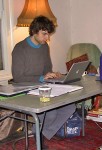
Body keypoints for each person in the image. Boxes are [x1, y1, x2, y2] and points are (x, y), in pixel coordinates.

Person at [12, 16, 76, 149]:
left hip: (42, 87)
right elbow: (18, 77)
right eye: (44, 34)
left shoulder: (44, 46)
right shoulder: (20, 48)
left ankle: (40, 133)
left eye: (48, 34)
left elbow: (47, 69)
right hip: (25, 89)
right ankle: (39, 134)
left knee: (70, 107)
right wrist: (41, 78)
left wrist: (53, 75)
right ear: (35, 31)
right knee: (51, 112)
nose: (47, 37)